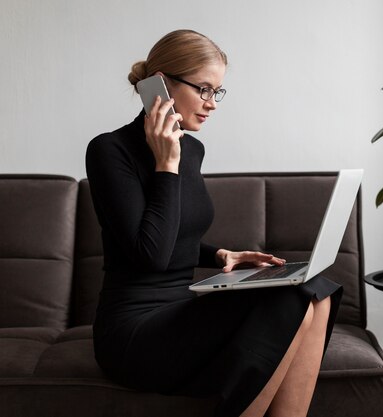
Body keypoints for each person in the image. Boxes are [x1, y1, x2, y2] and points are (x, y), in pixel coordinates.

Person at [85, 29, 342, 417]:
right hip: (132, 332)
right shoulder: (110, 150)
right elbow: (149, 254)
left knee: (316, 291)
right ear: (161, 85)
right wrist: (165, 164)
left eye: (217, 92)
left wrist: (221, 253)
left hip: (181, 311)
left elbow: (175, 230)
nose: (212, 103)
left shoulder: (193, 150)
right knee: (289, 298)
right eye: (204, 89)